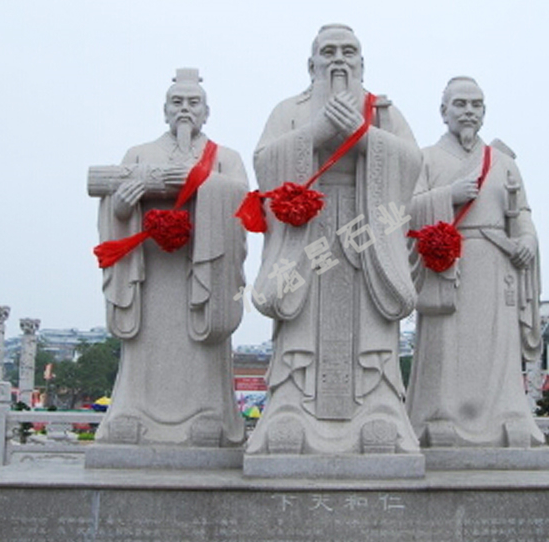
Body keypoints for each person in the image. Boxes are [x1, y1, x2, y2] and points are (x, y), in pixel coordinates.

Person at [245, 25, 422, 456]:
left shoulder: (383, 112)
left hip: (368, 235)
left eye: (348, 51)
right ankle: (291, 407)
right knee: (301, 326)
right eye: (328, 52)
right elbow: (265, 163)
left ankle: (378, 408)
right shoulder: (288, 110)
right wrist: (318, 130)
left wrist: (364, 135)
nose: (339, 59)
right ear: (312, 65)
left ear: (362, 63)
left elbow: (411, 164)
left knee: (369, 329)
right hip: (307, 233)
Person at [90, 69, 247, 446]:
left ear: (206, 112)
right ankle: (134, 412)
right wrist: (122, 205)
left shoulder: (225, 158)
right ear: (164, 111)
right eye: (177, 103)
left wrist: (203, 185)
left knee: (201, 344)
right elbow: (114, 208)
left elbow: (243, 206)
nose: (185, 110)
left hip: (201, 274)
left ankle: (208, 413)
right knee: (147, 344)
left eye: (194, 103)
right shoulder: (139, 155)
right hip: (151, 275)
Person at [406, 77, 544, 447]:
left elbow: (523, 213)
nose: (469, 111)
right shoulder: (425, 159)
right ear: (444, 111)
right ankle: (439, 416)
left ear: (484, 112)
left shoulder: (503, 163)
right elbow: (406, 211)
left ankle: (506, 417)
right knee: (445, 345)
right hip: (447, 265)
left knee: (497, 346)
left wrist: (526, 240)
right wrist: (447, 195)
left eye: (476, 105)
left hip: (496, 264)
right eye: (461, 104)